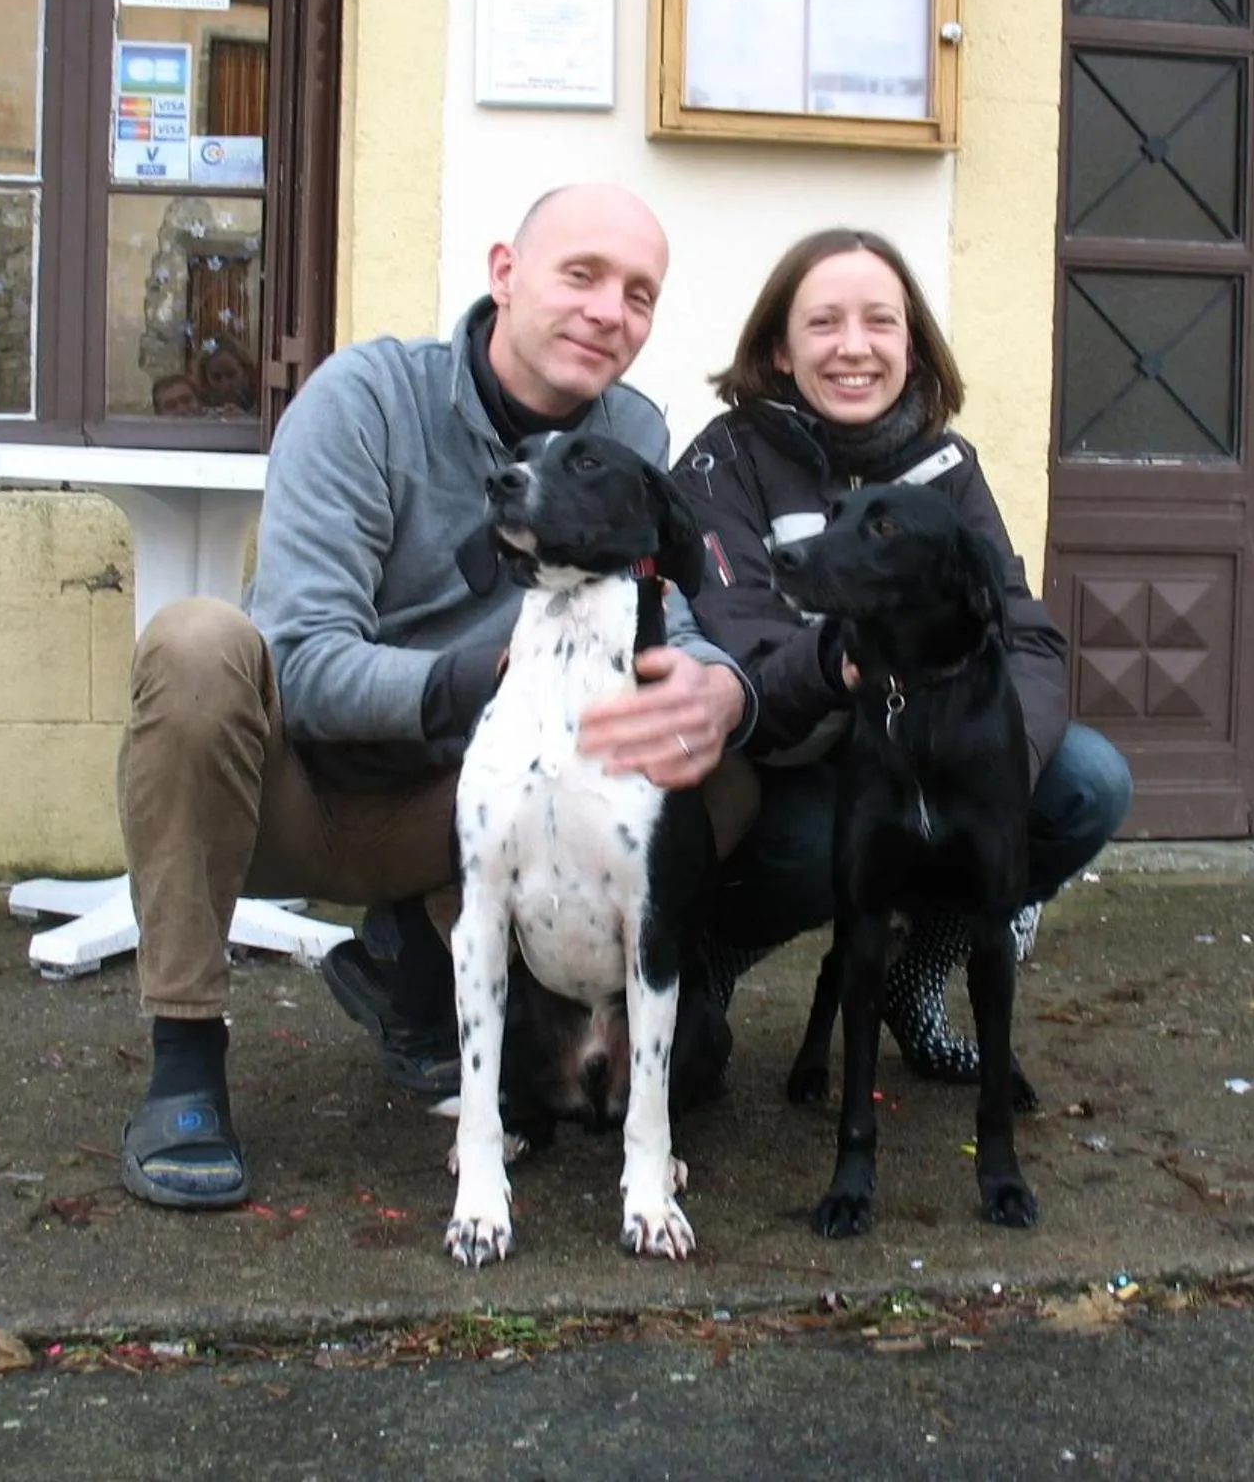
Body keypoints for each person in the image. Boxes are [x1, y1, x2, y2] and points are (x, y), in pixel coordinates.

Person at [117, 183, 756, 1210]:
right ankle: (186, 1056)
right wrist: (480, 678)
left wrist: (714, 686)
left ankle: (429, 978)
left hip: (466, 802)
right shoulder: (364, 397)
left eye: (638, 295)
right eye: (581, 275)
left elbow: (650, 606)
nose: (609, 311)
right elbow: (305, 657)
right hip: (307, 793)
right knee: (198, 644)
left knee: (708, 762)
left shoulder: (629, 427)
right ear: (505, 274)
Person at [678, 227, 1132, 1082]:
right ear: (778, 349)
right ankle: (717, 953)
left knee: (1087, 784)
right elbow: (739, 666)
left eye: (881, 322)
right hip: (786, 765)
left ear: (911, 342)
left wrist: (1001, 774)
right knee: (827, 841)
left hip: (924, 749)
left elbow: (1022, 633)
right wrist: (844, 663)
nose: (855, 347)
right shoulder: (721, 464)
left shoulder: (947, 465)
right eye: (824, 324)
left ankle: (914, 971)